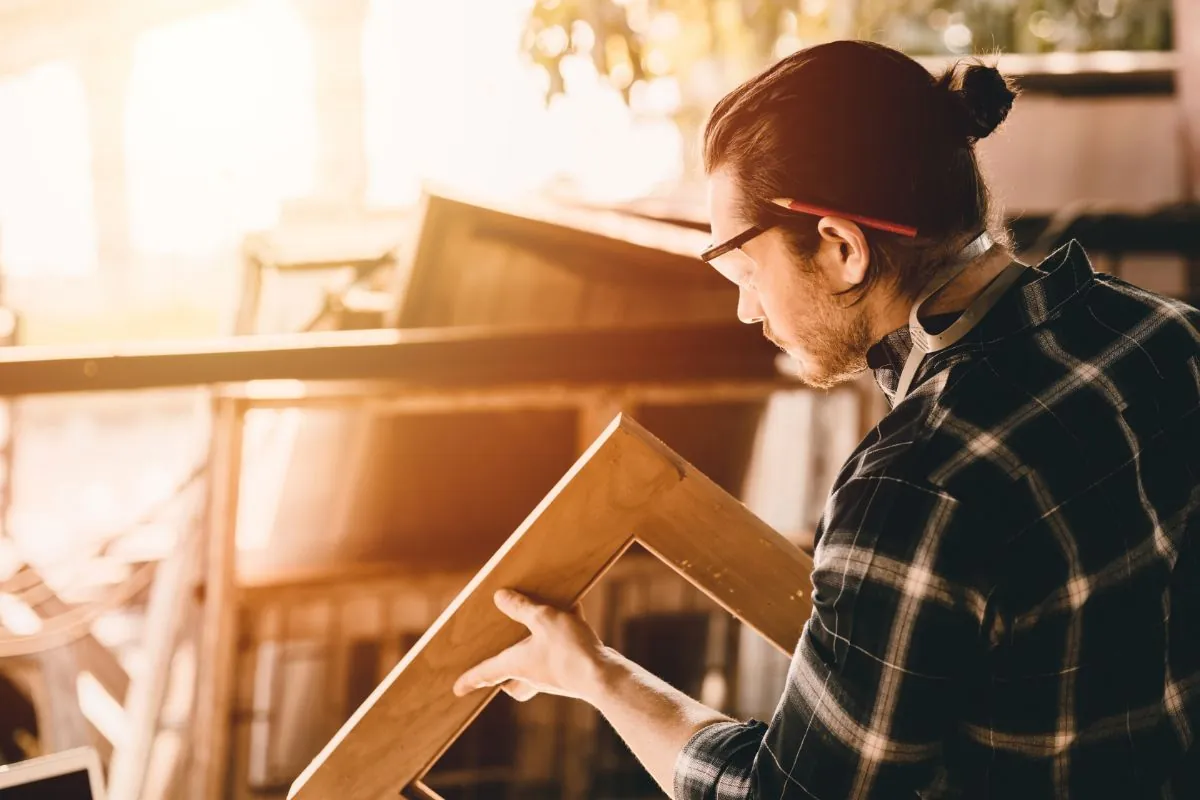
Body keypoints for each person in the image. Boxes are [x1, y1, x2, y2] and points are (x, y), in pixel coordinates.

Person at [454, 40, 1200, 798]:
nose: (747, 307)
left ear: (842, 247)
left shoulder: (918, 486)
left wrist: (599, 675)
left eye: (744, 270)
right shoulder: (1168, 334)